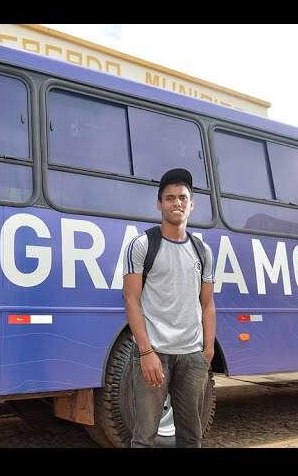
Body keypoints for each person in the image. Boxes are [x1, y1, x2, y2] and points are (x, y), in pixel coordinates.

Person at [122, 168, 216, 448]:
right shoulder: (142, 245)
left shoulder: (203, 251)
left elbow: (208, 303)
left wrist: (207, 350)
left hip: (192, 357)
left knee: (191, 436)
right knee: (144, 437)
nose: (177, 203)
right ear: (159, 204)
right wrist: (146, 352)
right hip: (155, 354)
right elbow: (131, 299)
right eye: (170, 198)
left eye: (183, 198)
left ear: (191, 204)